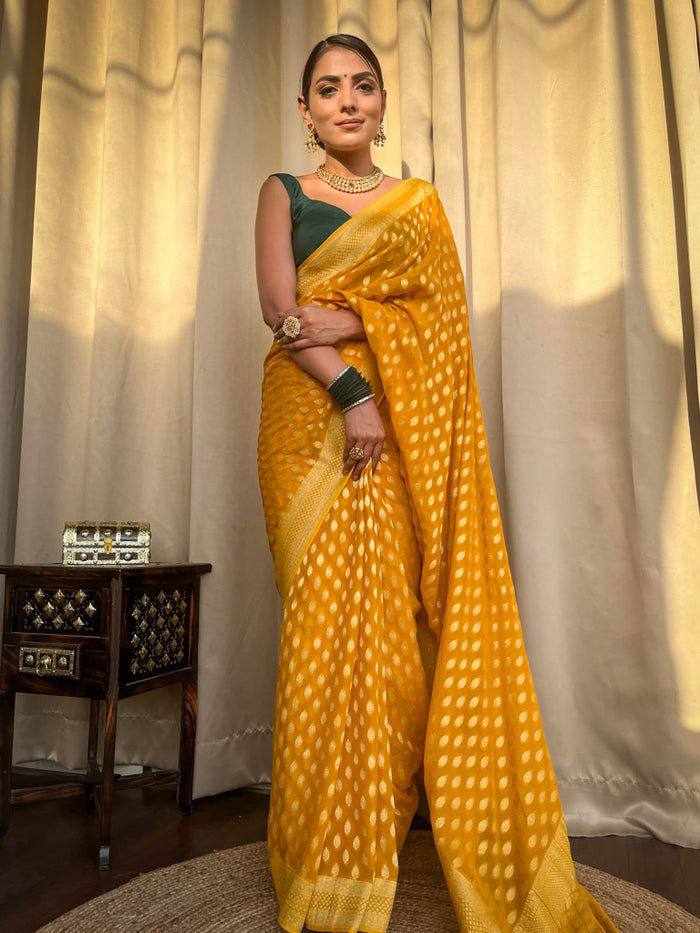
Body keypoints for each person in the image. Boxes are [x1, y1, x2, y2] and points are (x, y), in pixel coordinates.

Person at [255, 32, 619, 933]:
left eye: (362, 85)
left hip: (400, 434)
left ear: (382, 103)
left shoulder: (417, 207)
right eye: (328, 88)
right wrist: (351, 390)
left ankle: (369, 839)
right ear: (305, 110)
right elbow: (280, 312)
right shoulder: (283, 192)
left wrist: (346, 316)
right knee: (323, 635)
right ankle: (319, 857)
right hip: (307, 429)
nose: (347, 100)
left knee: (386, 640)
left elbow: (440, 325)